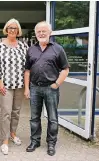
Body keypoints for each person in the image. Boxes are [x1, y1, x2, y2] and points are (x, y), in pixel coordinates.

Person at [24, 21, 70, 156]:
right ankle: (35, 141)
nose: (41, 33)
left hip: (51, 89)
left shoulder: (58, 49)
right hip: (34, 88)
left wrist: (56, 84)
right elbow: (27, 70)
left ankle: (51, 143)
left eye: (44, 31)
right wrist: (27, 89)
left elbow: (65, 69)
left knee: (53, 118)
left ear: (50, 33)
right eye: (39, 31)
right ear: (36, 34)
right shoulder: (31, 49)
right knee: (34, 117)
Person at [0, 18, 28, 155]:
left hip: (19, 84)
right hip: (5, 85)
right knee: (6, 112)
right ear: (6, 30)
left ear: (18, 30)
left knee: (16, 111)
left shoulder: (24, 46)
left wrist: (26, 86)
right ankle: (4, 140)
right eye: (10, 28)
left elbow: (27, 67)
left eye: (15, 28)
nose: (12, 30)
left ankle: (13, 134)